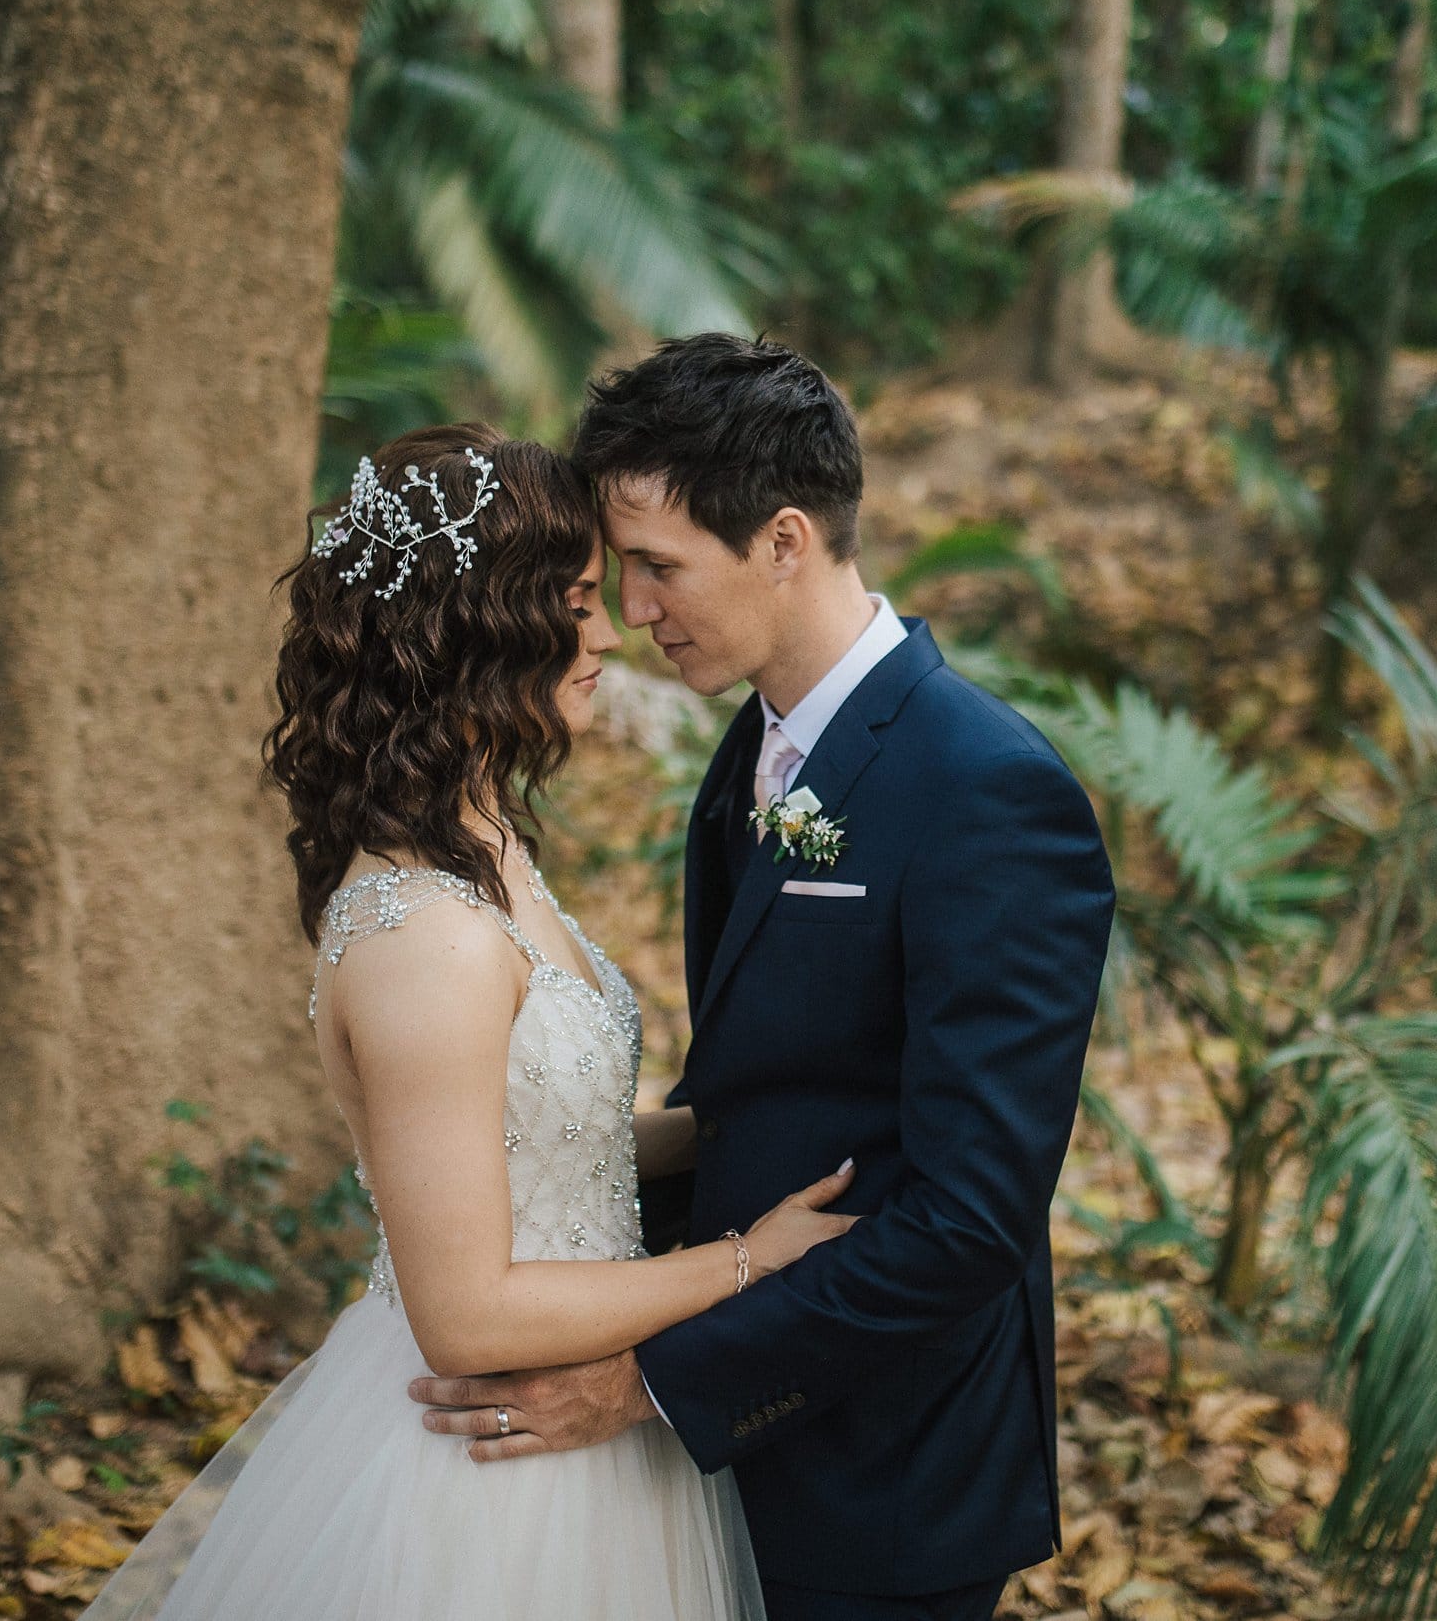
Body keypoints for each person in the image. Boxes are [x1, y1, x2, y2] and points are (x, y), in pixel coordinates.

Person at [76, 421, 857, 1621]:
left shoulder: (485, 849)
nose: (611, 632)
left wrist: (736, 1129)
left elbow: (534, 1138)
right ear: (480, 629)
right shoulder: (421, 932)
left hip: (592, 1431)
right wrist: (748, 1262)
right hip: (488, 1478)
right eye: (580, 602)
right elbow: (468, 1310)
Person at [408, 338, 1119, 1621]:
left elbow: (970, 1219)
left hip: (883, 1479)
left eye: (658, 566)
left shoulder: (988, 792)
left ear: (784, 539)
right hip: (724, 1453)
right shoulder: (755, 750)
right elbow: (759, 1096)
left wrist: (649, 1383)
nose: (629, 610)